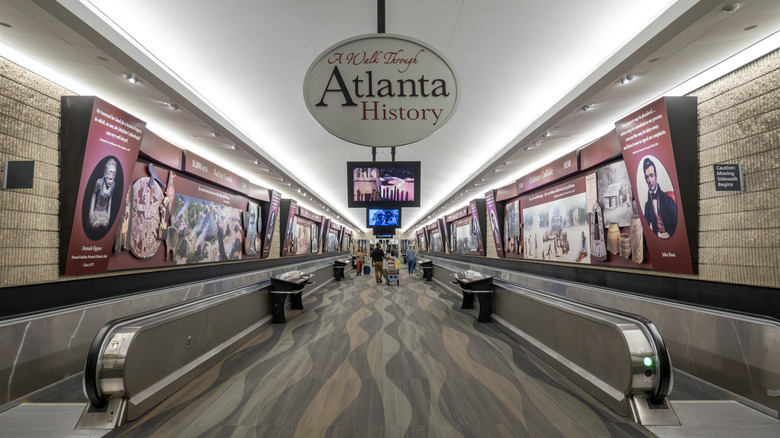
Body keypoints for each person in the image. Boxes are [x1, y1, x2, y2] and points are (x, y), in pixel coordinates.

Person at [642, 157, 678, 239]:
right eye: (647, 177)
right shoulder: (647, 206)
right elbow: (646, 230)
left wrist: (668, 234)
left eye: (651, 176)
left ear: (656, 175)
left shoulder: (669, 201)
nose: (649, 180)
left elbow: (678, 224)